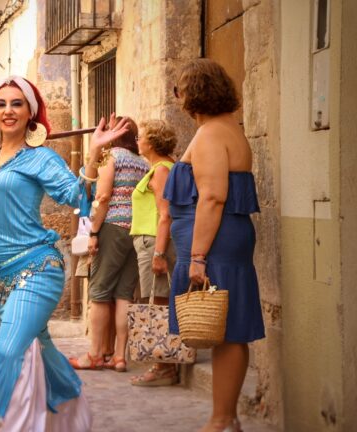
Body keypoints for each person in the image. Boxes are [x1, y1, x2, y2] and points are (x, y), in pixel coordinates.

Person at [0, 75, 128, 430]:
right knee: (38, 350)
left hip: (36, 267)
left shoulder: (39, 157)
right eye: (0, 104)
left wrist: (92, 154)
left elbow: (76, 196)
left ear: (30, 111)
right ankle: (72, 417)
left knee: (9, 350)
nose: (8, 111)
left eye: (16, 103)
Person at [166, 59, 264, 432]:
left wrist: (197, 257)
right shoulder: (227, 130)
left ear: (190, 93)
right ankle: (229, 418)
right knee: (230, 328)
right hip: (226, 238)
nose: (178, 98)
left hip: (216, 242)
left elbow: (212, 198)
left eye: (180, 90)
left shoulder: (209, 135)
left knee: (228, 331)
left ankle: (221, 419)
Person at [69, 117, 148, 373]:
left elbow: (102, 196)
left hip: (112, 227)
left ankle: (93, 354)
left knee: (100, 292)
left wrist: (93, 231)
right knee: (124, 294)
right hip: (135, 229)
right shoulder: (142, 163)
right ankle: (119, 356)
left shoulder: (111, 156)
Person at [128, 119, 179, 386]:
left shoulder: (161, 170)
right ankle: (163, 363)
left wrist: (159, 252)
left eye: (141, 137)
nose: (137, 141)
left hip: (153, 242)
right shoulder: (161, 168)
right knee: (157, 300)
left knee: (157, 302)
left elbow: (165, 214)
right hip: (149, 242)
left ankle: (164, 366)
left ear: (153, 142)